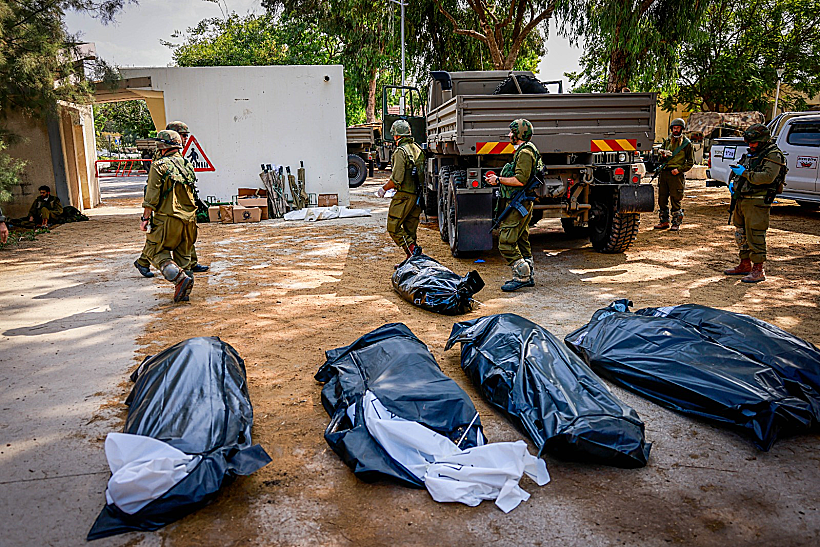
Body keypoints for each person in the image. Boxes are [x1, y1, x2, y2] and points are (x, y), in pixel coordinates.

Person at [134, 120, 209, 277]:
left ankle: (188, 266)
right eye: (183, 136)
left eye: (186, 136)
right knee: (157, 240)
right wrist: (147, 215)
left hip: (179, 209)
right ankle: (144, 262)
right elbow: (154, 186)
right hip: (166, 205)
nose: (185, 139)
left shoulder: (178, 157)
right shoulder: (161, 158)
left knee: (179, 237)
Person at [723, 123, 786, 283]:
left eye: (753, 143)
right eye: (749, 143)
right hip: (742, 198)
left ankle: (758, 269)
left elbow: (767, 177)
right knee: (741, 233)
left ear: (763, 140)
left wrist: (745, 174)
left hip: (757, 200)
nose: (750, 146)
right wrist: (735, 181)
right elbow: (742, 168)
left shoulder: (773, 155)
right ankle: (744, 264)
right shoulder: (753, 153)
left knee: (755, 234)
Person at [485, 118, 542, 292]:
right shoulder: (525, 150)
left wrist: (498, 180)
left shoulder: (525, 153)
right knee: (521, 238)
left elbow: (520, 180)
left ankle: (522, 275)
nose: (509, 135)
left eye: (512, 132)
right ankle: (528, 274)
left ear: (519, 134)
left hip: (519, 202)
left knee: (506, 241)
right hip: (522, 202)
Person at [140, 130, 197, 302]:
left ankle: (179, 280)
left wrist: (145, 218)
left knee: (154, 250)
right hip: (189, 220)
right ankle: (184, 293)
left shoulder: (159, 166)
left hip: (167, 218)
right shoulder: (187, 164)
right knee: (184, 257)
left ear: (162, 146)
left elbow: (151, 196)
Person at [377, 119, 425, 263]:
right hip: (417, 196)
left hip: (404, 195)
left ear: (396, 136)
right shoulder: (418, 149)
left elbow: (396, 179)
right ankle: (412, 260)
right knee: (410, 229)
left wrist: (383, 189)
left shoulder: (400, 151)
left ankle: (412, 250)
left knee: (393, 226)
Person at [654, 118, 695, 231]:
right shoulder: (667, 141)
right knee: (662, 198)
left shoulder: (687, 144)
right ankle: (664, 221)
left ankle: (676, 222)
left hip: (676, 175)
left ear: (682, 129)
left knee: (675, 199)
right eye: (674, 128)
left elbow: (690, 162)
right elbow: (659, 158)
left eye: (678, 128)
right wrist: (663, 155)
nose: (675, 130)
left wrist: (679, 170)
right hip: (664, 173)